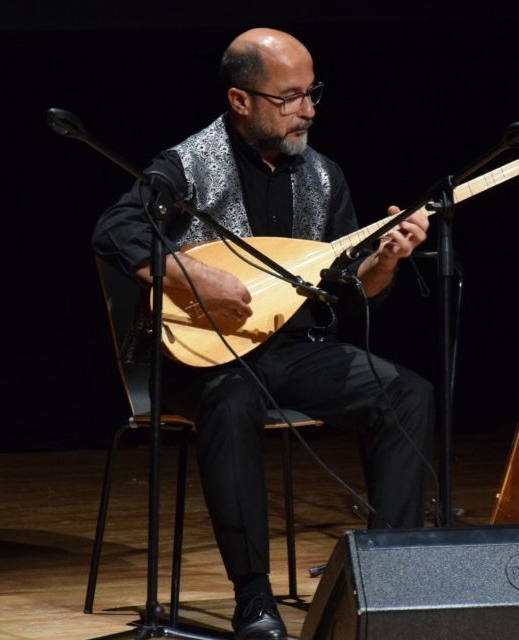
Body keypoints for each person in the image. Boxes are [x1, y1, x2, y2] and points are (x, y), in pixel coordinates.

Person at [91, 28, 434, 640]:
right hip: (199, 362)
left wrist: (387, 260)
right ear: (240, 100)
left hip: (291, 351)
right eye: (290, 97)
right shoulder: (187, 163)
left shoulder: (325, 176)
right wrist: (199, 276)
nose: (307, 110)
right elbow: (116, 229)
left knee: (407, 393)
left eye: (312, 94)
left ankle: (390, 581)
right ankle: (255, 602)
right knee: (233, 398)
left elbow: (353, 290)